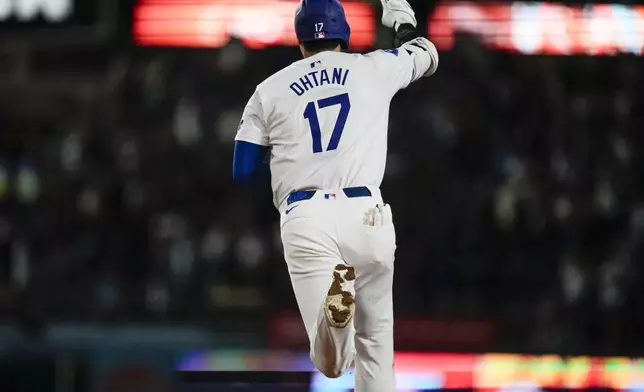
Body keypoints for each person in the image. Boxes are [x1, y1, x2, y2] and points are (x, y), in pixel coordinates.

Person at [232, 0, 438, 390]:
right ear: (344, 34)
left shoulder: (269, 89)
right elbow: (425, 53)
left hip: (307, 216)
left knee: (332, 362)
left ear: (300, 41)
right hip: (367, 214)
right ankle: (341, 317)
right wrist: (402, 22)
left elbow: (242, 170)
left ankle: (336, 313)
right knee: (376, 349)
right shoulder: (374, 67)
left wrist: (286, 164)